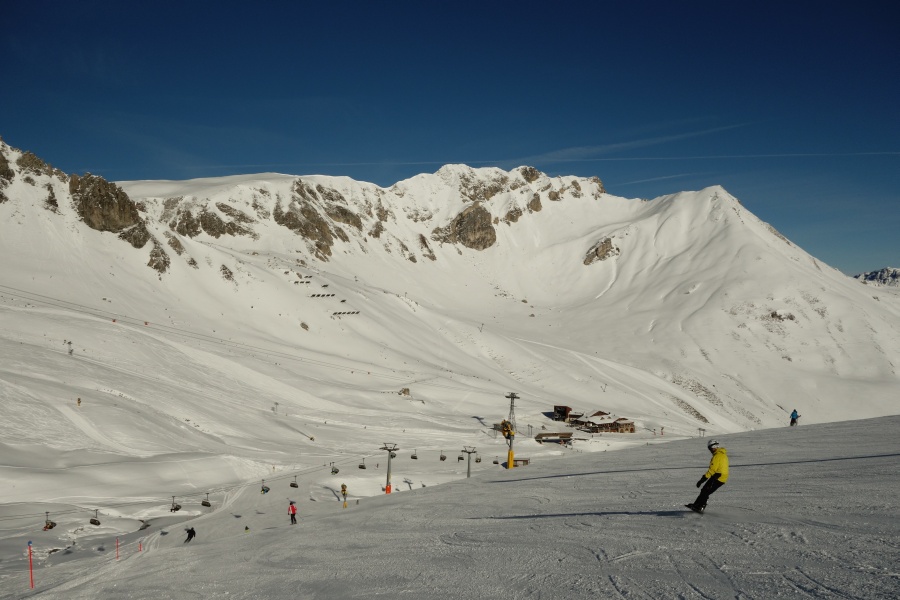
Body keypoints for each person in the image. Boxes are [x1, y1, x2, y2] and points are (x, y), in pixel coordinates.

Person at [687, 439, 729, 513]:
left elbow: (712, 470)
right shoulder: (722, 454)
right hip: (719, 476)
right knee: (704, 490)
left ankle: (701, 506)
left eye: (710, 448)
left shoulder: (717, 456)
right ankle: (697, 504)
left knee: (706, 491)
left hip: (718, 477)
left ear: (714, 447)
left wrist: (702, 480)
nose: (710, 450)